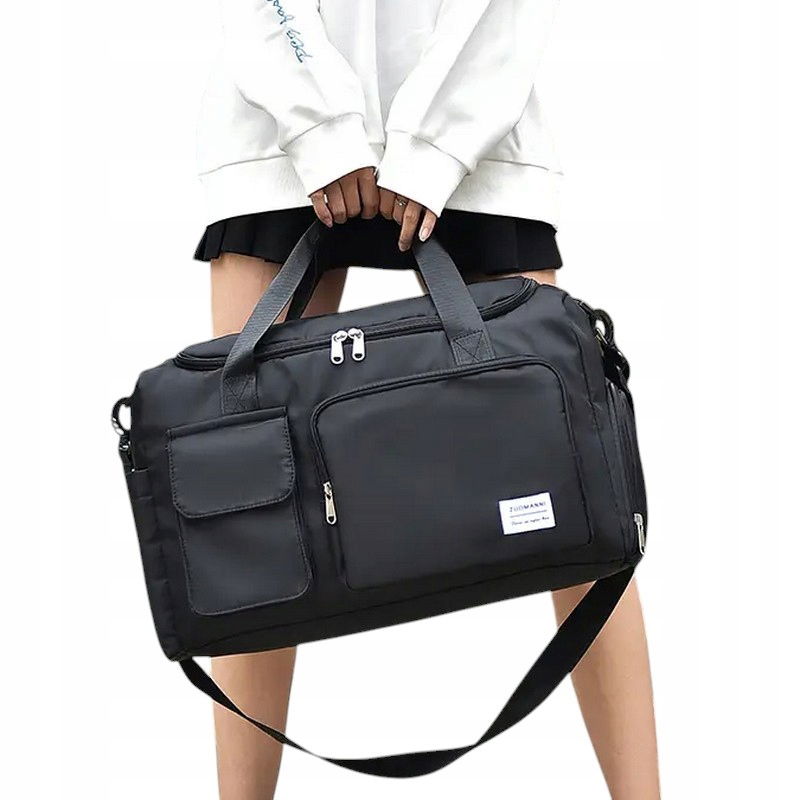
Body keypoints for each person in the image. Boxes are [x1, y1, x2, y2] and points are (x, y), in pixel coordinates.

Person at [195, 2, 660, 797]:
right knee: (253, 519)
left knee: (579, 496)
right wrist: (321, 126)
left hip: (479, 126)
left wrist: (437, 141)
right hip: (278, 127)